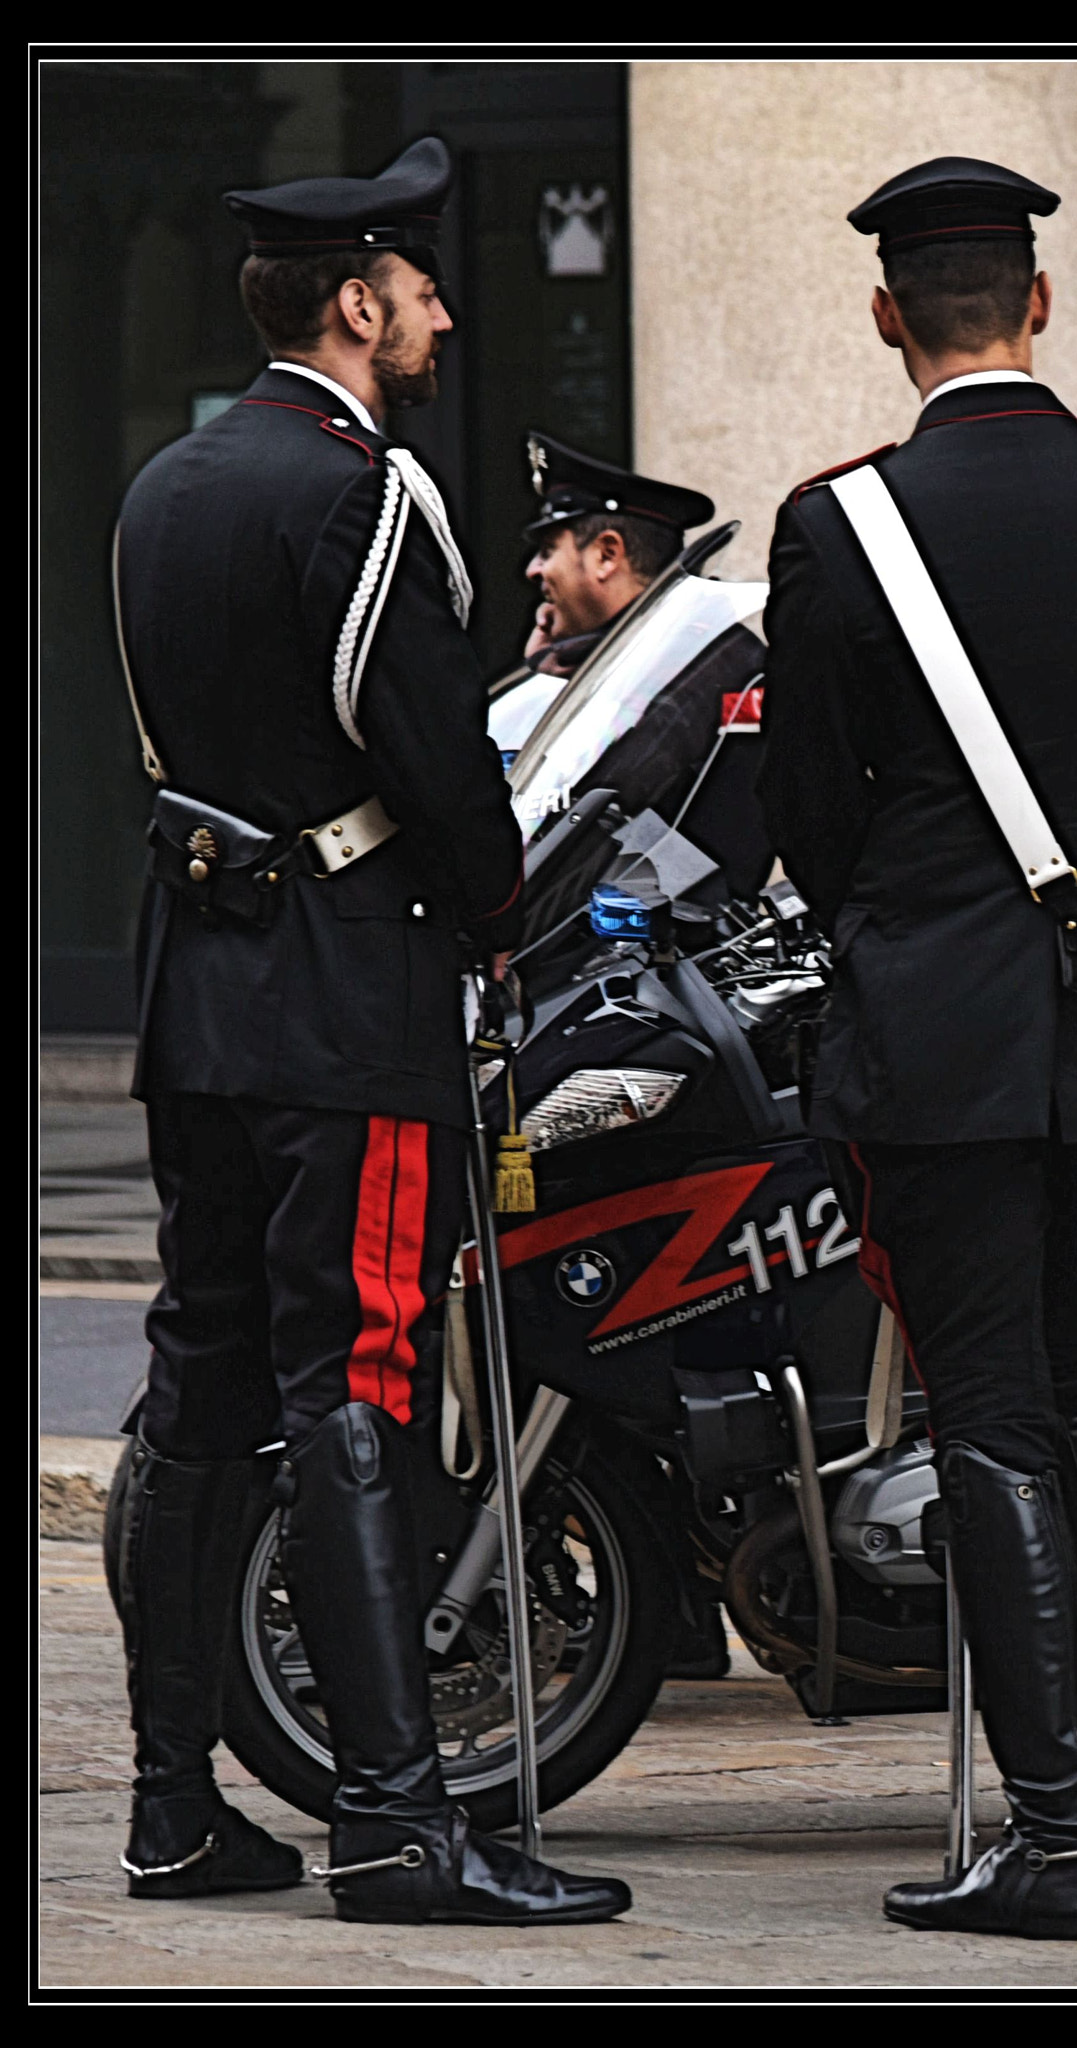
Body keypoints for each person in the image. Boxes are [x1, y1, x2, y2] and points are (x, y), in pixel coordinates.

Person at [110, 136, 629, 1926]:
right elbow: (432, 762)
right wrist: (503, 913)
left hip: (200, 989)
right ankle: (401, 1823)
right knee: (365, 1384)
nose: (437, 315)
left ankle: (173, 1805)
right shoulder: (371, 493)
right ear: (354, 305)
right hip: (347, 994)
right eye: (415, 291)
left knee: (198, 1388)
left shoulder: (165, 483)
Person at [757, 159, 1077, 1939]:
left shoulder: (840, 528)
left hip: (940, 1021)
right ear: (1040, 306)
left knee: (987, 1408)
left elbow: (808, 812)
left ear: (888, 314)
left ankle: (1054, 1825)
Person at [518, 432, 714, 675]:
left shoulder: (693, 667)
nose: (532, 570)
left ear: (607, 555)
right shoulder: (653, 656)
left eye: (548, 551)